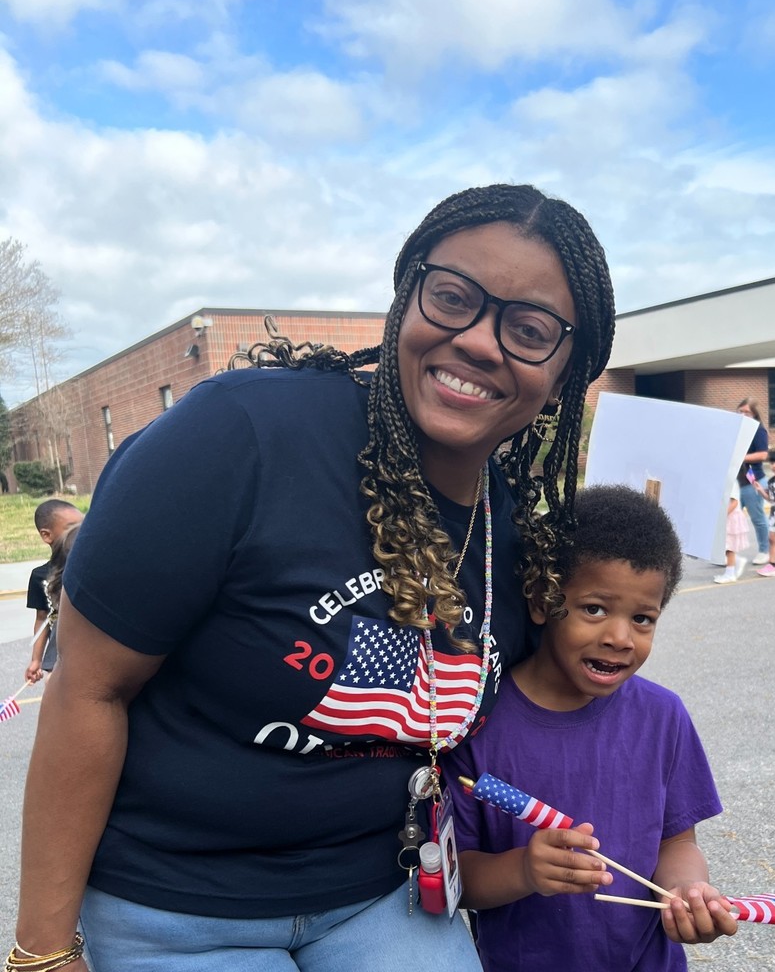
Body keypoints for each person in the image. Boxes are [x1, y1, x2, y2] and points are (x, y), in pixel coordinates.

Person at [12, 184, 616, 972]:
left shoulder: (513, 534)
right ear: (407, 298)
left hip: (384, 895)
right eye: (454, 296)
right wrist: (43, 951)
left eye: (530, 329)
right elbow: (89, 688)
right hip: (178, 906)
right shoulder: (240, 437)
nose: (478, 340)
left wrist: (674, 861)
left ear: (568, 372)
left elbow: (570, 703)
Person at [445, 485, 735, 971]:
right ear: (541, 601)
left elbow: (678, 844)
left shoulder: (663, 717)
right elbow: (463, 878)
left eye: (643, 618)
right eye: (594, 609)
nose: (620, 637)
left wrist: (688, 891)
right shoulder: (477, 722)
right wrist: (524, 869)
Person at [24, 500, 82, 684]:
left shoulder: (87, 569)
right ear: (46, 535)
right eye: (71, 527)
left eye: (83, 524)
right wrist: (36, 659)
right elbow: (42, 619)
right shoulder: (39, 576)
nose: (80, 532)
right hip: (58, 656)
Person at [736, 399, 770, 564]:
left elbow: (763, 454)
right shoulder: (736, 429)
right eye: (740, 411)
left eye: (746, 412)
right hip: (735, 482)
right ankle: (728, 553)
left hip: (753, 481)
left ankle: (765, 550)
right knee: (730, 518)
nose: (742, 415)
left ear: (754, 414)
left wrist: (740, 458)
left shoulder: (758, 431)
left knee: (757, 517)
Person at [713, 479, 748, 584]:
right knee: (724, 545)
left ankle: (730, 574)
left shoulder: (731, 481)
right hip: (726, 517)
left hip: (731, 518)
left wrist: (722, 515)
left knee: (729, 547)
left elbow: (734, 502)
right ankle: (737, 561)